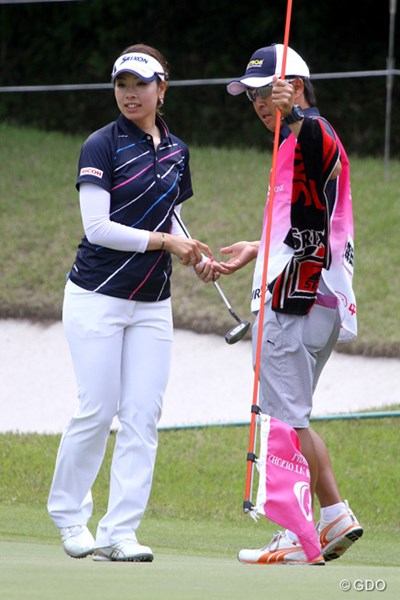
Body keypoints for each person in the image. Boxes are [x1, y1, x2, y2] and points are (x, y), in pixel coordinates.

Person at [47, 43, 216, 562]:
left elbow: (171, 218)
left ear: (161, 89)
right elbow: (96, 227)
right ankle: (71, 517)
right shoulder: (101, 145)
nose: (129, 94)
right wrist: (168, 244)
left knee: (142, 415)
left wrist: (196, 255)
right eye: (122, 84)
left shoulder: (177, 151)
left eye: (140, 85)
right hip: (96, 295)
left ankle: (119, 530)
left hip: (152, 302)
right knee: (97, 410)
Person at [215, 43, 363, 565]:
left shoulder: (312, 133)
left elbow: (321, 141)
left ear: (294, 87)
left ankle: (292, 534)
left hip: (292, 300)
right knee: (296, 418)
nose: (258, 102)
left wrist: (296, 113)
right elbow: (309, 217)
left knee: (281, 419)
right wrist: (259, 247)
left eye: (266, 91)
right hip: (315, 300)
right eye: (252, 94)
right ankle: (334, 515)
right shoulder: (291, 145)